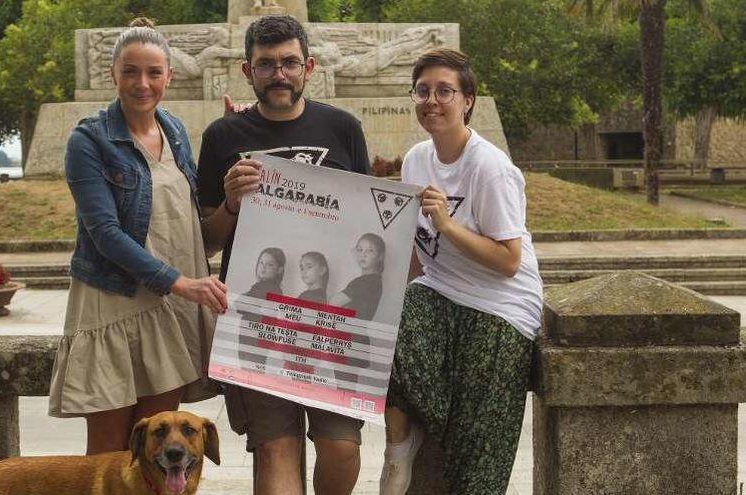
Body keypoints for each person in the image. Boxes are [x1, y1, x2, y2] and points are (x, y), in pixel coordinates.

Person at [197, 15, 370, 495]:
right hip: (258, 318)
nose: (280, 73)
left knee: (341, 446)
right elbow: (208, 241)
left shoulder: (343, 128)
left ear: (308, 67)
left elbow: (368, 223)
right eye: (266, 64)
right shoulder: (221, 137)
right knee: (275, 445)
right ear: (247, 71)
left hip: (334, 318)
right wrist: (231, 204)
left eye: (290, 62)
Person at [47, 17, 228, 455]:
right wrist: (182, 283)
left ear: (169, 76)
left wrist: (234, 138)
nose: (142, 83)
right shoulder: (89, 140)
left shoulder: (176, 131)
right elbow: (105, 233)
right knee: (109, 459)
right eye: (130, 71)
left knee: (157, 455)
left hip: (167, 310)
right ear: (113, 75)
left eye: (153, 72)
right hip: (115, 306)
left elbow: (189, 225)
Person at [379, 48, 544, 495]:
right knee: (383, 323)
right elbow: (418, 247)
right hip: (440, 289)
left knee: (476, 452)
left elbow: (509, 261)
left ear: (467, 99)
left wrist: (447, 224)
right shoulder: (416, 159)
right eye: (423, 90)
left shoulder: (489, 168)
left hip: (500, 307)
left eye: (445, 91)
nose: (432, 100)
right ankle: (398, 452)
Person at [329, 233, 385, 320]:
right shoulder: (376, 280)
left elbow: (333, 303)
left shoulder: (367, 282)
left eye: (370, 251)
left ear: (380, 256)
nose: (363, 254)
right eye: (360, 250)